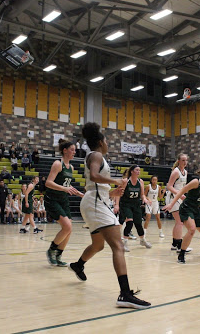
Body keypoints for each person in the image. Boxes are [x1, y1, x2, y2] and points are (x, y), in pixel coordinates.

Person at [68, 122, 150, 309]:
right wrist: (115, 180)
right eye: (106, 140)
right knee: (118, 245)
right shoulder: (96, 155)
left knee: (98, 245)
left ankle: (78, 265)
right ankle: (125, 294)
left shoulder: (95, 156)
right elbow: (95, 176)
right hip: (95, 202)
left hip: (96, 200)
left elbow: (95, 183)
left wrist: (112, 193)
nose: (107, 144)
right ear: (100, 142)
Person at [44, 139, 84, 267]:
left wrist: (78, 193)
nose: (74, 152)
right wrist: (65, 189)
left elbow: (66, 184)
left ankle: (59, 255)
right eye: (72, 150)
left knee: (69, 229)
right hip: (52, 199)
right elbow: (48, 182)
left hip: (63, 199)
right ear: (65, 150)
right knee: (67, 226)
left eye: (75, 150)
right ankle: (51, 250)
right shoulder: (57, 163)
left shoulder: (71, 167)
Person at [115, 165, 152, 252]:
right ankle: (124, 243)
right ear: (132, 171)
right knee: (130, 222)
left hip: (136, 204)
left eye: (139, 170)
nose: (138, 172)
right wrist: (117, 205)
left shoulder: (140, 181)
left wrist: (145, 200)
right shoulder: (125, 181)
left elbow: (142, 194)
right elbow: (118, 193)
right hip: (126, 204)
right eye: (137, 170)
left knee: (138, 224)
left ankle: (143, 240)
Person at [166, 153, 191, 252]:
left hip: (179, 198)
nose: (185, 162)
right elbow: (169, 186)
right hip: (173, 197)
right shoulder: (176, 172)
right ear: (179, 161)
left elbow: (182, 187)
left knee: (178, 222)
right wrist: (180, 194)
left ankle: (174, 244)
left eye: (186, 160)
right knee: (180, 222)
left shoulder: (185, 172)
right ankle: (180, 246)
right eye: (183, 160)